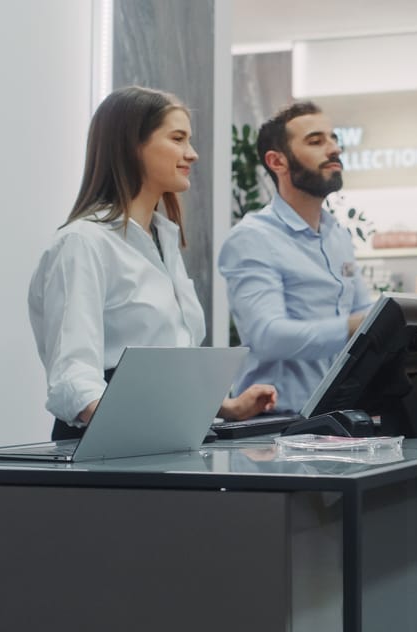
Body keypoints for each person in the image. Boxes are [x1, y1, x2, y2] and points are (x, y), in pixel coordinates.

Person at [29, 86, 276, 439]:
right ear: (132, 145)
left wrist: (226, 407)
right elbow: (72, 375)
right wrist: (145, 427)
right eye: (177, 139)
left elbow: (171, 358)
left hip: (162, 437)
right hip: (108, 445)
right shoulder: (82, 243)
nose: (192, 154)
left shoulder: (164, 240)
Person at [219, 101, 375, 414]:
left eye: (333, 139)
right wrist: (356, 325)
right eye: (316, 141)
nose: (333, 150)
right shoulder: (252, 238)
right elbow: (268, 336)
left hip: (340, 417)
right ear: (277, 161)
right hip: (277, 427)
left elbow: (363, 313)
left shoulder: (338, 235)